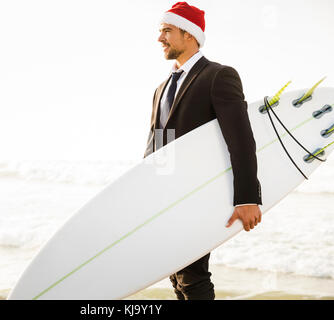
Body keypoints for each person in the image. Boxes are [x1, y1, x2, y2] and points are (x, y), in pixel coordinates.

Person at [143, 2, 263, 300]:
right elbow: (157, 147)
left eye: (167, 31)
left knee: (192, 276)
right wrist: (143, 196)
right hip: (167, 199)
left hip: (198, 194)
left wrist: (247, 198)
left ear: (190, 35)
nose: (160, 39)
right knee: (177, 275)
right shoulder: (161, 88)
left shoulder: (218, 76)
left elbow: (241, 139)